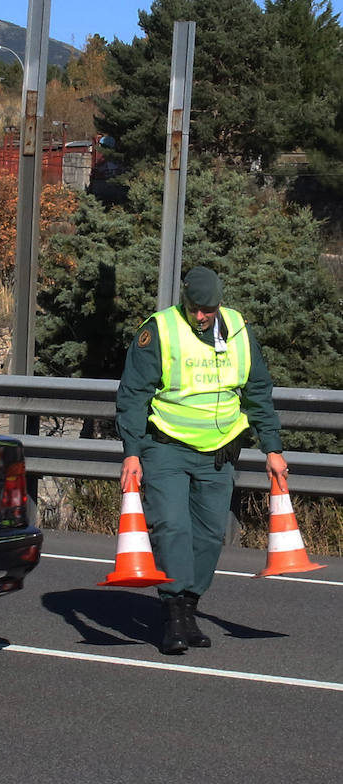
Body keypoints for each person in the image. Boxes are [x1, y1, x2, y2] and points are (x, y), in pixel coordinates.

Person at [115, 266, 289, 655]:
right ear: (185, 300)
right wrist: (132, 452)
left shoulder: (239, 330)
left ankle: (189, 608)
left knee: (210, 534)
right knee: (172, 527)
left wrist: (272, 448)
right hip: (167, 447)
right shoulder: (159, 330)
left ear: (219, 304)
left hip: (220, 452)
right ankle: (173, 616)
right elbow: (133, 396)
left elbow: (258, 390)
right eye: (194, 308)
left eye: (207, 310)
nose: (200, 316)